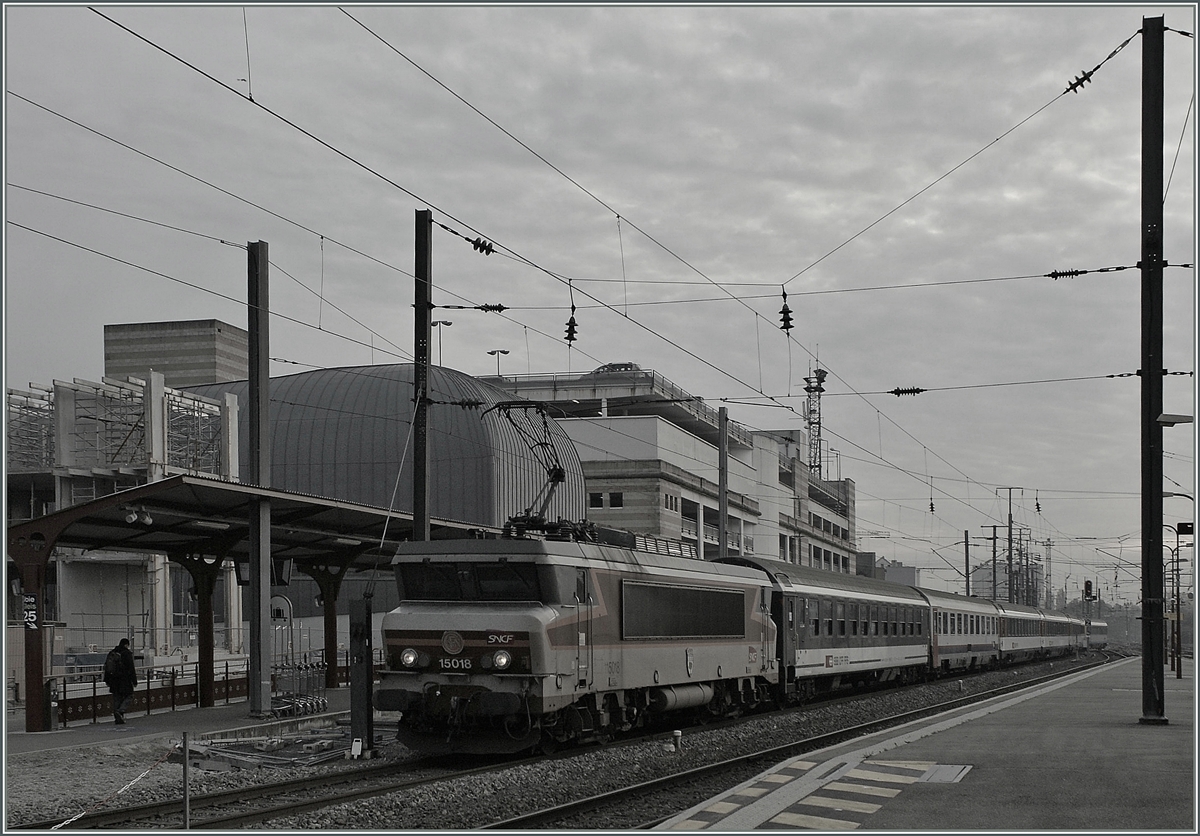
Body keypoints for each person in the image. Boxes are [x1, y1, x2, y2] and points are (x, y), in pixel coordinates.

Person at [103, 638, 137, 724]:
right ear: (126, 645)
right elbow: (131, 668)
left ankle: (117, 717)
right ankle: (120, 711)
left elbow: (107, 666)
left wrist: (106, 680)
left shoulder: (112, 653)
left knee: (116, 698)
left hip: (113, 680)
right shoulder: (127, 653)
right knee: (129, 695)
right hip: (124, 679)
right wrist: (134, 680)